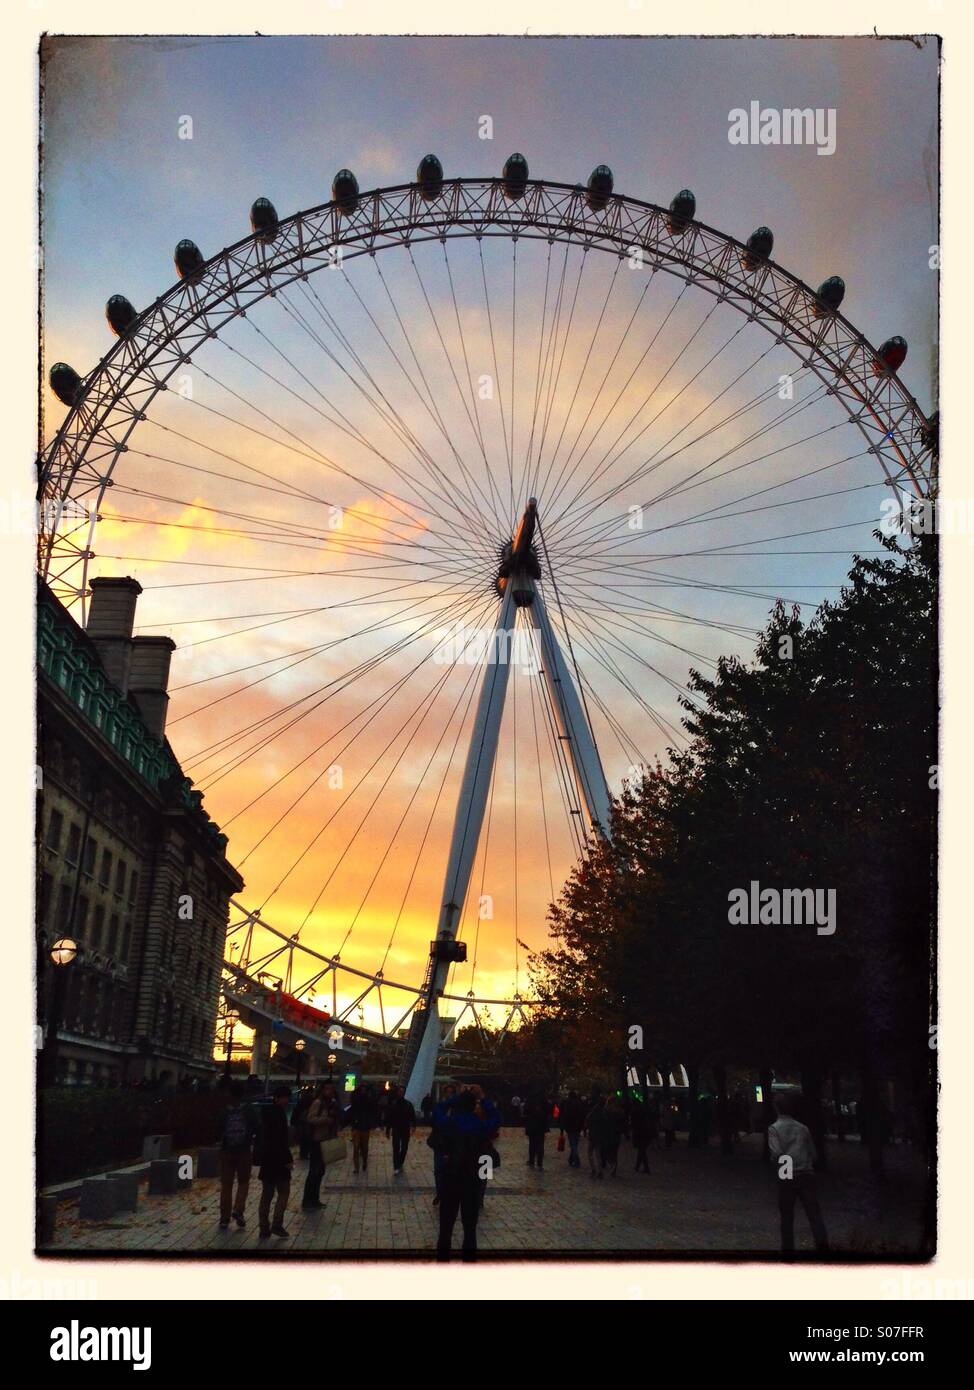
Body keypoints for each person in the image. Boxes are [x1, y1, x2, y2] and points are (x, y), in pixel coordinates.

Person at [433, 1085, 500, 1261]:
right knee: (470, 1229)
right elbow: (496, 1118)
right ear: (473, 1106)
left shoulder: (449, 1124)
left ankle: (442, 1262)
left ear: (457, 1106)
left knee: (446, 1228)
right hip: (472, 1181)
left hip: (450, 1180)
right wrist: (482, 1097)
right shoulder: (480, 1126)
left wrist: (456, 1097)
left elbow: (438, 1109)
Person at [768, 1092, 829, 1255]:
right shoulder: (803, 1128)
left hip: (787, 1173)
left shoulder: (774, 1128)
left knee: (787, 1215)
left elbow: (777, 1154)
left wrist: (785, 1169)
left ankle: (788, 1251)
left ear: (776, 1107)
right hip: (806, 1173)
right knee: (814, 1213)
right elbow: (814, 1155)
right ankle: (823, 1246)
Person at [216, 1080, 257, 1229]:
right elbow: (256, 1127)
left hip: (227, 1150)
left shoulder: (225, 1110)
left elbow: (218, 1128)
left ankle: (224, 1218)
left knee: (226, 1184)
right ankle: (238, 1209)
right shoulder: (249, 1110)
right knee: (243, 1182)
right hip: (244, 1150)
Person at [257, 1083, 293, 1239]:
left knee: (267, 1194)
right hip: (279, 1160)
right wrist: (288, 1159)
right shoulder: (280, 1116)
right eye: (285, 1098)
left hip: (266, 1159)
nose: (286, 1101)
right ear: (278, 1099)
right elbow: (281, 1141)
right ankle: (277, 1224)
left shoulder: (265, 1113)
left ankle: (263, 1227)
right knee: (284, 1191)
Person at [303, 1081, 341, 1209]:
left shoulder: (332, 1104)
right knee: (314, 1170)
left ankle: (314, 1198)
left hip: (326, 1139)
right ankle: (308, 1200)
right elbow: (310, 1118)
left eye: (331, 1089)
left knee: (320, 1171)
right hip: (317, 1140)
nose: (329, 1091)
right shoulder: (318, 1103)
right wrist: (325, 1120)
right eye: (327, 1089)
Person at [386, 1085, 417, 1174]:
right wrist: (388, 1129)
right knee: (396, 1148)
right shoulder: (393, 1103)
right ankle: (396, 1165)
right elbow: (390, 1117)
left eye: (402, 1092)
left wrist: (414, 1125)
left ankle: (400, 1163)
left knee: (404, 1148)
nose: (401, 1093)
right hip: (396, 1128)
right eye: (399, 1091)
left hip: (405, 1128)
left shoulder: (408, 1104)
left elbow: (412, 1115)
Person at [348, 1082, 378, 1174]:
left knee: (364, 1147)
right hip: (358, 1127)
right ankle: (357, 1167)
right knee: (356, 1147)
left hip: (364, 1126)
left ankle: (364, 1161)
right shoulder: (357, 1100)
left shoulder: (368, 1101)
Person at [559, 1090, 586, 1169]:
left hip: (570, 1127)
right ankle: (571, 1159)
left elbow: (564, 1116)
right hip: (577, 1127)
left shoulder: (568, 1104)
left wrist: (562, 1128)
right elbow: (582, 1115)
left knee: (573, 1144)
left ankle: (576, 1160)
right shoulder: (579, 1104)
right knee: (575, 1144)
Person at [523, 1092, 550, 1170]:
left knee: (532, 1143)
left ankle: (532, 1161)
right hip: (541, 1125)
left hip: (532, 1125)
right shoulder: (543, 1099)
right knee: (540, 1144)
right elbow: (548, 1110)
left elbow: (525, 1111)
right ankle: (539, 1163)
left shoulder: (530, 1099)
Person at [601, 1094, 625, 1176]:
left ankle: (612, 1164)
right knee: (614, 1151)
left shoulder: (606, 1111)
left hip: (608, 1133)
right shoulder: (620, 1111)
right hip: (616, 1134)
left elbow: (603, 1122)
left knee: (607, 1150)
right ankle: (613, 1166)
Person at [586, 1096, 608, 1179]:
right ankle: (600, 1170)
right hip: (600, 1135)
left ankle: (593, 1168)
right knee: (598, 1153)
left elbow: (587, 1118)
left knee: (590, 1152)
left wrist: (589, 1127)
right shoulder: (604, 1111)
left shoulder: (594, 1110)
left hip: (593, 1134)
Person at [630, 1098, 654, 1173]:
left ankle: (645, 1167)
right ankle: (638, 1167)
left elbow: (634, 1123)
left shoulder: (635, 1112)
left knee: (642, 1151)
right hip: (645, 1132)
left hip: (640, 1133)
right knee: (641, 1150)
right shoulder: (643, 1111)